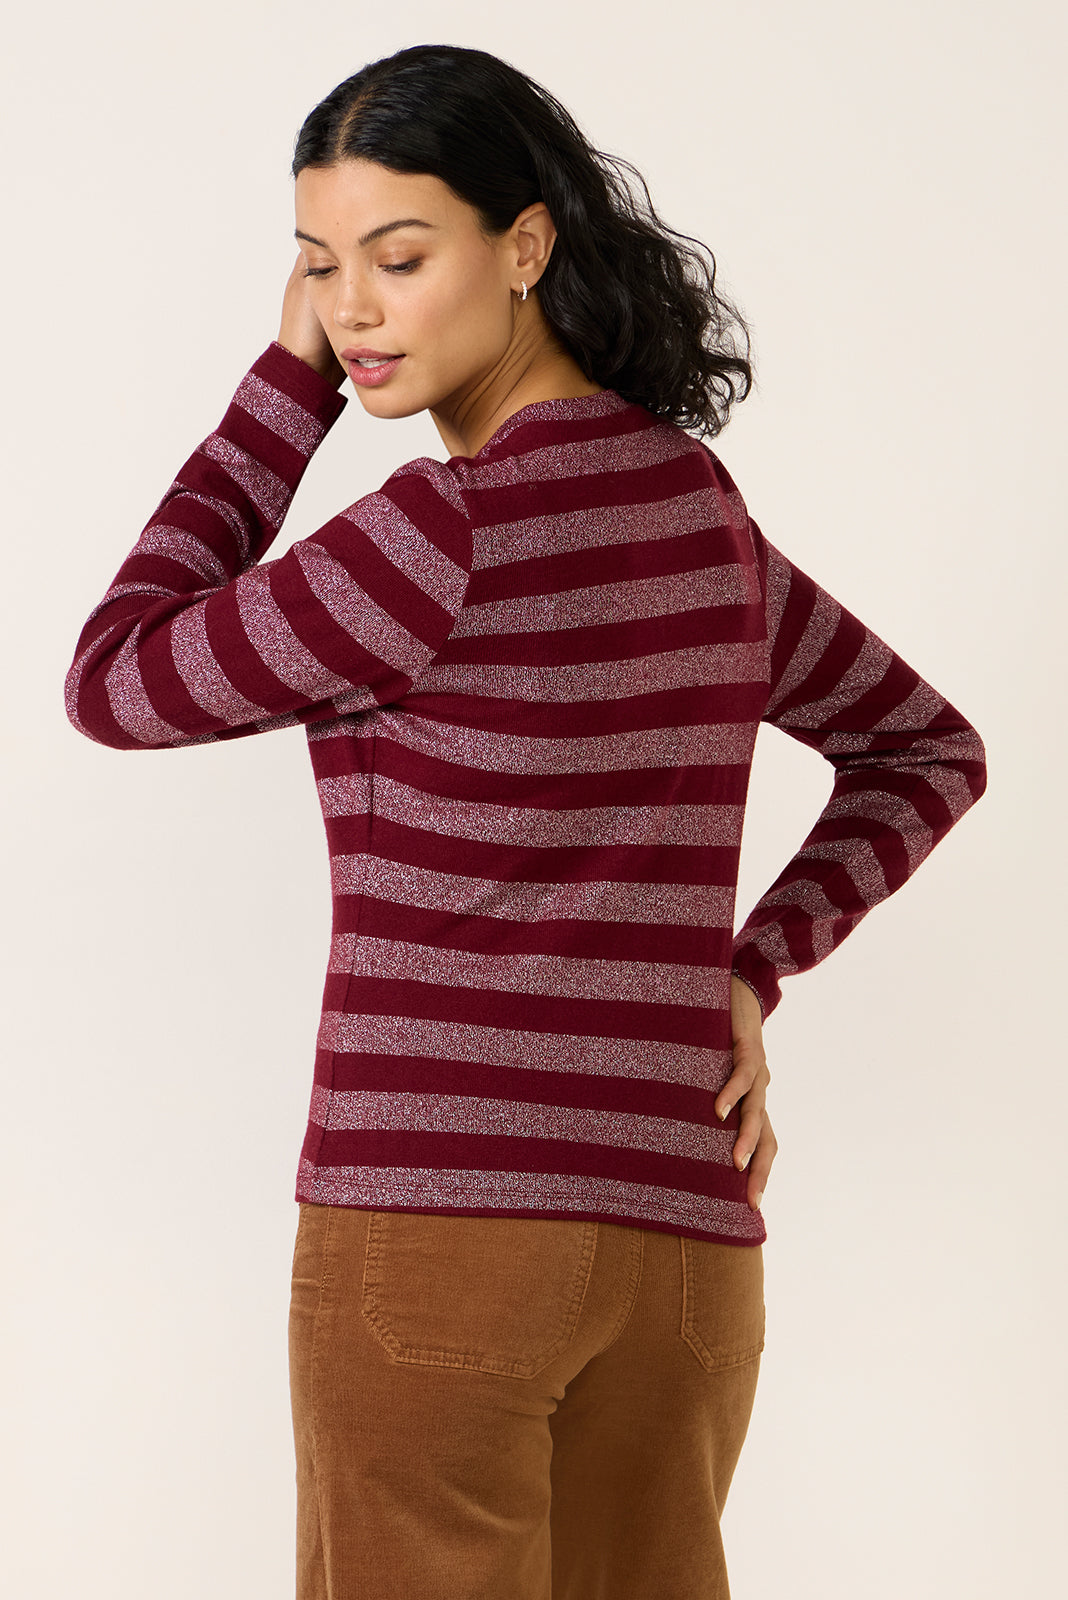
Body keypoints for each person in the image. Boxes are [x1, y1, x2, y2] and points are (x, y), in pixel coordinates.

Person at [64, 42, 987, 1600]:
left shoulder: (437, 533)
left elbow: (117, 677)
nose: (353, 309)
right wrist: (747, 971)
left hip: (441, 1238)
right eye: (316, 267)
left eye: (398, 256)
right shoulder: (705, 519)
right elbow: (925, 751)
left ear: (525, 246)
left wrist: (284, 389)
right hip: (682, 1249)